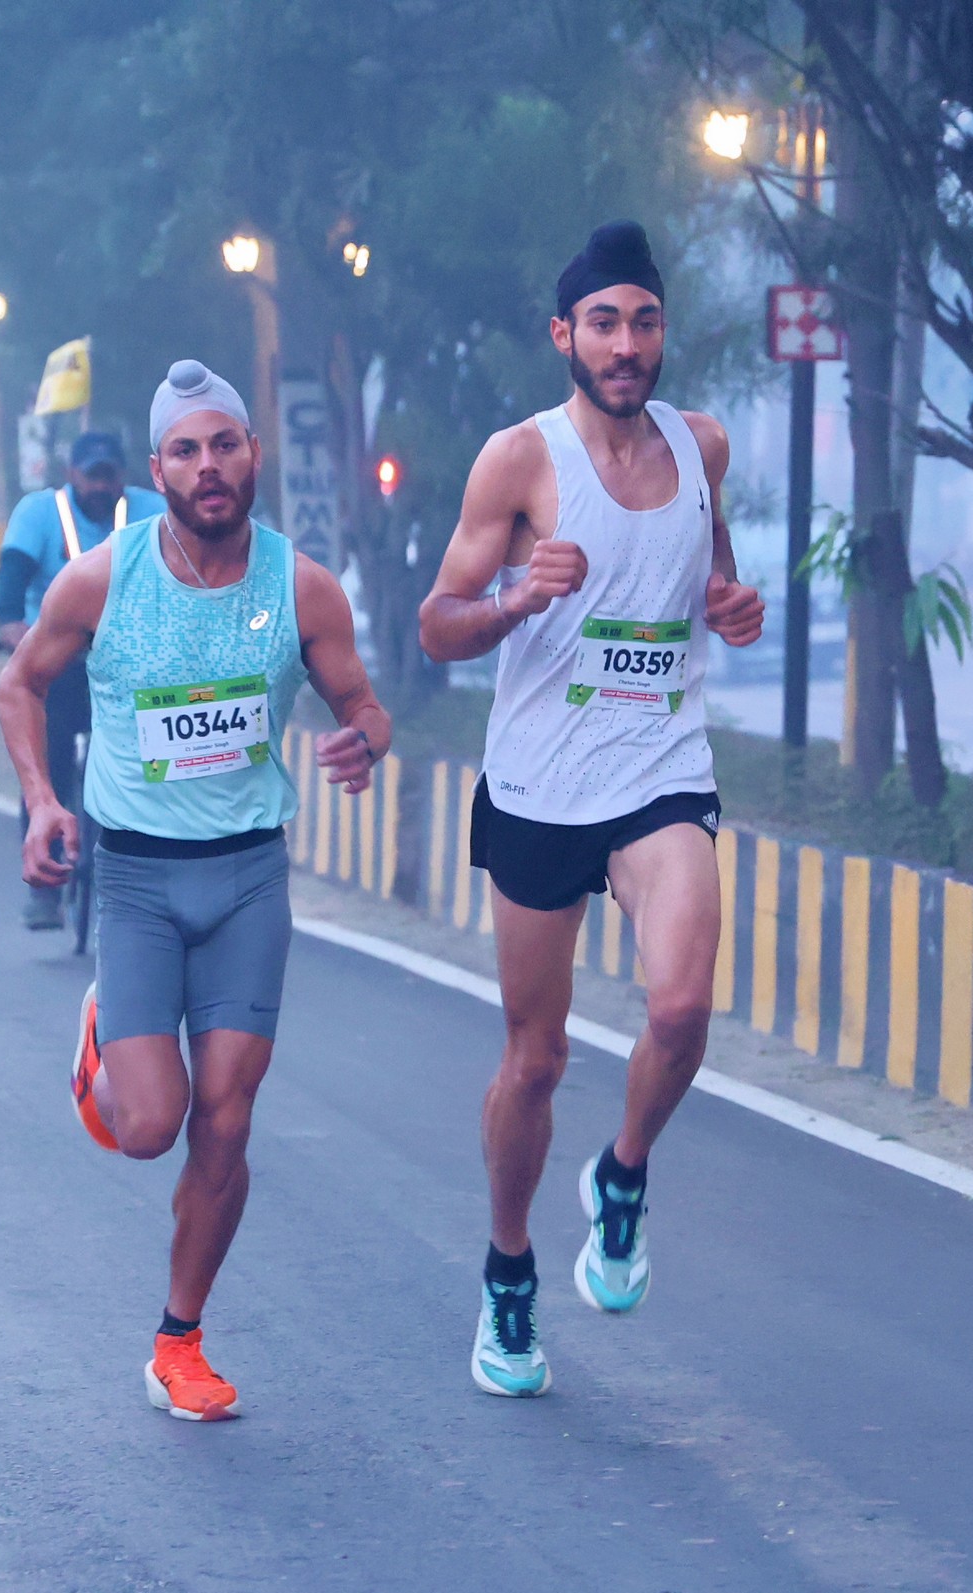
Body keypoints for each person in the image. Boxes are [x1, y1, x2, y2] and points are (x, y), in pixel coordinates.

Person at [0, 360, 392, 1422]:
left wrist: (363, 742)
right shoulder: (102, 580)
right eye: (186, 450)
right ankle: (104, 1043)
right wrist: (41, 802)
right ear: (157, 470)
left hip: (249, 881)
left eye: (224, 445)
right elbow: (19, 681)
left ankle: (180, 1340)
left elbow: (363, 703)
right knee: (149, 1127)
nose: (207, 466)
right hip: (134, 883)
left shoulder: (302, 587)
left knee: (225, 1120)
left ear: (253, 454)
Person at [416, 220, 765, 1399]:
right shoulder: (520, 460)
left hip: (659, 770)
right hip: (539, 788)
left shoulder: (701, 446)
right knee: (538, 1056)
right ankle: (508, 1269)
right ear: (564, 335)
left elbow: (711, 575)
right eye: (604, 324)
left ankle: (622, 1174)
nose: (626, 345)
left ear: (664, 333)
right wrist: (516, 600)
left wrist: (730, 604)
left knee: (682, 1007)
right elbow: (437, 623)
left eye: (645, 322)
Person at [0, 429, 162, 931]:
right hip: (57, 659)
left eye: (109, 476)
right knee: (47, 768)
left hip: (128, 663)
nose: (100, 487)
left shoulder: (151, 511)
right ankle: (45, 891)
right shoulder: (40, 512)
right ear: (72, 475)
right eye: (92, 477)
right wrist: (12, 630)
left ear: (123, 477)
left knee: (149, 763)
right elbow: (10, 587)